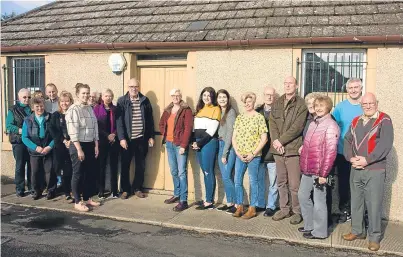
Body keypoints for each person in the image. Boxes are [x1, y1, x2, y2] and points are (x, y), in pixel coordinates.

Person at [342, 93, 393, 252]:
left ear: (376, 103)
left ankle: (375, 237)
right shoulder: (356, 121)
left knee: (374, 204)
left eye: (371, 103)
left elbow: (385, 144)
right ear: (361, 105)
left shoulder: (384, 120)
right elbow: (347, 140)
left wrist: (368, 160)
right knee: (356, 202)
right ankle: (357, 231)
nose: (368, 106)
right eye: (365, 104)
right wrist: (350, 158)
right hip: (355, 168)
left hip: (374, 169)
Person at [298, 96, 340, 239]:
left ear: (328, 107)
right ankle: (309, 225)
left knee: (319, 201)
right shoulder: (313, 124)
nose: (319, 108)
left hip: (320, 171)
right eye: (316, 106)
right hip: (308, 169)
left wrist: (324, 174)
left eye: (322, 106)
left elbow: (330, 151)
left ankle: (320, 232)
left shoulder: (331, 125)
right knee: (303, 196)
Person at [269, 76, 308, 224]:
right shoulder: (277, 103)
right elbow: (272, 123)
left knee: (294, 184)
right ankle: (284, 209)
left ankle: (297, 211)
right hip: (278, 150)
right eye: (285, 83)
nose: (287, 86)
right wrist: (276, 142)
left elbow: (297, 127)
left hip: (292, 149)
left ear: (296, 85)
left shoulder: (301, 104)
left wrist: (281, 140)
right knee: (281, 181)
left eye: (290, 83)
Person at [116, 78, 155, 199]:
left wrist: (151, 136)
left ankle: (137, 188)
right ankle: (126, 190)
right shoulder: (122, 101)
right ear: (128, 87)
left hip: (141, 139)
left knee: (140, 165)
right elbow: (119, 122)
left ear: (139, 87)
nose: (134, 88)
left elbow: (150, 120)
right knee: (125, 165)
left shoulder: (144, 100)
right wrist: (121, 138)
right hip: (127, 140)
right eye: (131, 86)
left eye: (136, 86)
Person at [232, 92, 268, 219]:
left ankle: (252, 208)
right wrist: (237, 152)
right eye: (245, 102)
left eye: (249, 101)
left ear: (253, 102)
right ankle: (240, 206)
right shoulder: (240, 118)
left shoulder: (259, 117)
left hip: (254, 156)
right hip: (240, 155)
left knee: (253, 181)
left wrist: (253, 154)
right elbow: (234, 137)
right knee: (237, 180)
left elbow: (264, 138)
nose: (247, 104)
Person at [332, 78, 364, 223]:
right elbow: (332, 126)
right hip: (342, 152)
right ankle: (345, 210)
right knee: (343, 184)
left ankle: (360, 212)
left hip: (361, 153)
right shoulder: (340, 107)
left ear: (361, 88)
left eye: (356, 87)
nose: (353, 90)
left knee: (359, 185)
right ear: (346, 89)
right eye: (350, 87)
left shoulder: (365, 106)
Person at [66, 83, 100, 212]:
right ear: (77, 95)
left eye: (87, 93)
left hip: (90, 144)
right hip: (78, 145)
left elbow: (94, 127)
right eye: (83, 93)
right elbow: (73, 132)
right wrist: (79, 149)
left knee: (89, 173)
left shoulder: (89, 108)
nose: (86, 95)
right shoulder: (73, 110)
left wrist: (96, 144)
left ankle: (87, 198)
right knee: (78, 173)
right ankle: (77, 201)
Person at [159, 89, 193, 212]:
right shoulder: (168, 109)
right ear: (171, 97)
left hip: (179, 145)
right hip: (169, 144)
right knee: (173, 171)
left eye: (177, 95)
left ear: (181, 96)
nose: (175, 97)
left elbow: (188, 128)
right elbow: (161, 123)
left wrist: (184, 145)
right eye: (173, 95)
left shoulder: (186, 110)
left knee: (181, 172)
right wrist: (165, 134)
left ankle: (183, 200)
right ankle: (177, 194)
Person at [22, 97, 56, 200]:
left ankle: (51, 191)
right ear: (32, 107)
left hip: (48, 150)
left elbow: (56, 136)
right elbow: (24, 137)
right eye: (37, 106)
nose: (40, 108)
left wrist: (49, 147)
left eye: (41, 106)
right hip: (35, 151)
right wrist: (35, 147)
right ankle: (37, 191)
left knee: (49, 172)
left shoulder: (50, 118)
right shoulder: (27, 120)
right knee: (35, 172)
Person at [192, 87, 221, 210]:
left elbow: (211, 130)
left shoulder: (216, 109)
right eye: (204, 95)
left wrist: (199, 143)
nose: (206, 97)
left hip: (208, 143)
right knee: (204, 171)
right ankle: (206, 198)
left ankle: (209, 201)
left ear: (212, 97)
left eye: (209, 95)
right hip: (198, 143)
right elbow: (194, 129)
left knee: (208, 171)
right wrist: (194, 142)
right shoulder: (199, 109)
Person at [256, 86, 278, 217]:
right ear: (263, 96)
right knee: (259, 180)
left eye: (271, 95)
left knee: (273, 182)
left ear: (274, 97)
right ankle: (260, 203)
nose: (269, 97)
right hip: (258, 152)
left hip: (272, 152)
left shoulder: (279, 112)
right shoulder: (257, 111)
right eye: (267, 95)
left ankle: (271, 206)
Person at [6, 88, 32, 197]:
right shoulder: (12, 110)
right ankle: (20, 189)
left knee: (31, 165)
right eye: (24, 97)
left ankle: (32, 187)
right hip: (19, 141)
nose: (27, 99)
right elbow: (8, 125)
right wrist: (20, 130)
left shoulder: (32, 109)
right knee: (20, 165)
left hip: (30, 142)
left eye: (29, 97)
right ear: (19, 98)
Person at [93, 88, 119, 199]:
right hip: (102, 141)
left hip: (114, 141)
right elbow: (96, 125)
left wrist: (114, 134)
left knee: (114, 166)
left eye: (110, 96)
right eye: (106, 96)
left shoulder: (116, 109)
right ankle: (101, 191)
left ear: (112, 97)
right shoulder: (97, 109)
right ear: (102, 97)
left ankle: (114, 191)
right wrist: (106, 135)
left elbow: (120, 123)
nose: (108, 98)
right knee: (101, 166)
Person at [49, 91, 74, 201]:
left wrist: (71, 141)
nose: (64, 103)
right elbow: (53, 130)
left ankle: (71, 191)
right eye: (62, 101)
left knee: (71, 169)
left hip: (72, 145)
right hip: (60, 146)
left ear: (70, 102)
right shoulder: (55, 115)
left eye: (67, 101)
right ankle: (60, 191)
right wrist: (64, 140)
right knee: (60, 169)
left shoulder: (73, 114)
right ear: (59, 103)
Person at [216, 89, 237, 214]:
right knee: (225, 177)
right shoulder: (219, 111)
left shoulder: (231, 112)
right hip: (220, 144)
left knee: (227, 176)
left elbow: (230, 133)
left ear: (227, 99)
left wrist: (225, 153)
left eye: (224, 97)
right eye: (220, 97)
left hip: (228, 146)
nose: (222, 99)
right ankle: (229, 202)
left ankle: (235, 204)